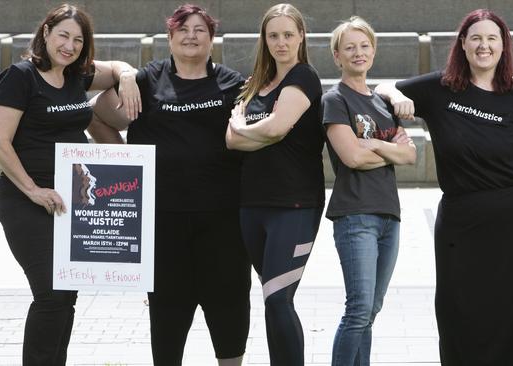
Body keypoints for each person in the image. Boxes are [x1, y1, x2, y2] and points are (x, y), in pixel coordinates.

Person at [376, 8, 513, 365]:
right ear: (462, 44)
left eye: (492, 38)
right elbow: (382, 88)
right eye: (476, 37)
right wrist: (394, 95)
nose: (484, 45)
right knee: (459, 309)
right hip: (462, 224)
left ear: (503, 45)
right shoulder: (440, 88)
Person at [86, 4, 251, 366]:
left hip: (223, 218)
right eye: (183, 29)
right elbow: (94, 104)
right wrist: (124, 73)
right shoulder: (147, 79)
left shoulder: (232, 83)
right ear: (170, 37)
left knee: (229, 305)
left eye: (200, 30)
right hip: (163, 220)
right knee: (168, 312)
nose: (191, 35)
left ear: (212, 39)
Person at [0, 3, 139, 365]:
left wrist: (128, 75)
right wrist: (34, 191)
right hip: (27, 200)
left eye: (78, 40)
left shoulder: (77, 76)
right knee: (51, 294)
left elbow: (116, 69)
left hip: (70, 201)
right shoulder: (20, 77)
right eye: (63, 36)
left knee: (66, 293)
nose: (69, 46)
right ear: (45, 33)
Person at [225, 3, 324, 365]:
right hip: (252, 205)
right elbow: (232, 142)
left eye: (288, 34)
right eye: (273, 36)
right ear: (264, 41)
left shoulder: (305, 76)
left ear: (301, 37)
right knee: (271, 297)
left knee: (277, 297)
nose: (281, 43)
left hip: (295, 204)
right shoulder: (254, 86)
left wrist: (247, 129)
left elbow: (278, 127)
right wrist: (256, 134)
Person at [321, 16, 416, 366]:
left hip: (390, 216)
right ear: (337, 56)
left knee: (371, 310)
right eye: (349, 47)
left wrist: (371, 144)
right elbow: (352, 157)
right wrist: (384, 149)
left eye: (364, 46)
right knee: (358, 308)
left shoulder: (384, 103)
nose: (358, 52)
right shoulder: (335, 99)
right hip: (355, 215)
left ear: (373, 51)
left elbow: (410, 154)